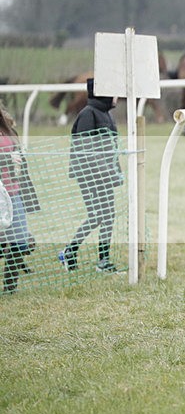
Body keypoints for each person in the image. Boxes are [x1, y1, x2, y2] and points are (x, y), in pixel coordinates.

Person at [59, 79, 124, 273]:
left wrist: (115, 171)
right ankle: (69, 251)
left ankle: (103, 260)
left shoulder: (106, 115)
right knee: (96, 215)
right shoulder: (87, 115)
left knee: (108, 216)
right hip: (89, 176)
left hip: (105, 177)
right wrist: (104, 170)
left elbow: (110, 148)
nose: (117, 97)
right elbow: (86, 150)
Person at [0, 105, 39, 293]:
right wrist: (7, 160)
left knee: (21, 241)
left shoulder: (6, 126)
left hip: (13, 192)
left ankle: (10, 286)